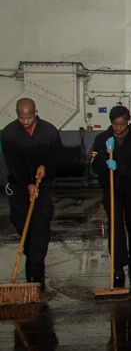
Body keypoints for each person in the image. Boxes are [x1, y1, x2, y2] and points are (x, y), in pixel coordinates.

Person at [2, 98, 61, 289]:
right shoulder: (9, 133)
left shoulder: (49, 131)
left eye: (29, 117)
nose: (25, 121)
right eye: (21, 118)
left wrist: (45, 166)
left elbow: (55, 156)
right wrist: (27, 184)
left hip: (42, 184)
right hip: (19, 185)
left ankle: (35, 270)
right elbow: (13, 164)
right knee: (20, 221)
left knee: (40, 222)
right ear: (16, 114)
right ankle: (32, 252)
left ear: (36, 112)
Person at [90, 106, 131, 288]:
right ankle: (117, 266)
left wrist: (120, 168)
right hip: (112, 191)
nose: (118, 128)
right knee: (115, 227)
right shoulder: (102, 140)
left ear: (128, 120)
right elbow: (93, 167)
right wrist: (103, 161)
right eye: (115, 124)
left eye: (122, 124)